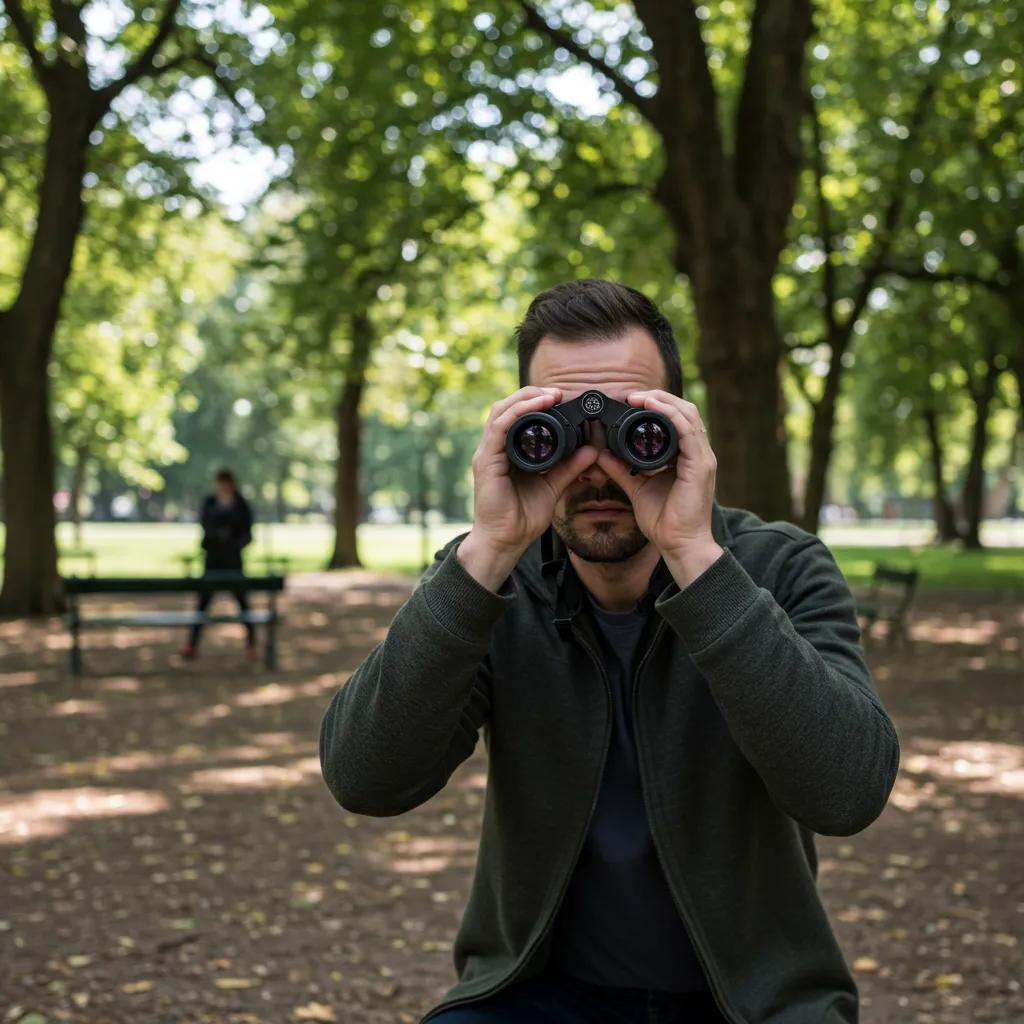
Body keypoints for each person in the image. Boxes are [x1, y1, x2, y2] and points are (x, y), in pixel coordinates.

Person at [318, 279, 901, 1024]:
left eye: (632, 427)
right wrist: (488, 548)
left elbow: (847, 792)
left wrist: (694, 554)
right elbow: (365, 778)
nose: (596, 465)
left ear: (683, 428)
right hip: (537, 994)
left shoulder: (778, 568)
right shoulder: (495, 580)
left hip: (755, 1003)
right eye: (557, 428)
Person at [179, 467, 258, 660]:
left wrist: (232, 543)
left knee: (243, 604)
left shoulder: (240, 505)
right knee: (202, 604)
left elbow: (247, 533)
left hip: (233, 561)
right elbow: (205, 526)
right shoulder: (211, 502)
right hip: (213, 560)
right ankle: (192, 643)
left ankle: (252, 644)